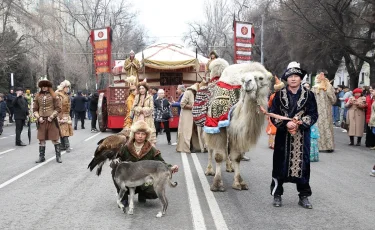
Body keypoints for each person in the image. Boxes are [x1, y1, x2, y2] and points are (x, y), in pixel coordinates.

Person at [270, 61, 318, 209]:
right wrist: (285, 124)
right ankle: (277, 194)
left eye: (296, 76)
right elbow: (273, 114)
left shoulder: (309, 95)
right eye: (290, 76)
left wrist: (300, 123)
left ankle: (303, 196)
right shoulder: (279, 95)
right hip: (283, 137)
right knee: (279, 165)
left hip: (302, 136)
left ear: (300, 78)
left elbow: (313, 114)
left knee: (303, 166)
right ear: (286, 78)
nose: (293, 79)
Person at [111, 120, 178, 206]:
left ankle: (143, 194)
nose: (140, 136)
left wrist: (171, 167)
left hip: (144, 180)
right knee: (115, 171)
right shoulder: (126, 148)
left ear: (146, 135)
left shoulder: (151, 149)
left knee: (154, 191)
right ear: (134, 134)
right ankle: (124, 198)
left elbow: (161, 163)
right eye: (138, 133)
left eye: (143, 134)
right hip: (129, 178)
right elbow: (116, 161)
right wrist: (114, 163)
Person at [33, 78, 62, 163]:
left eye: (46, 86)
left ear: (48, 87)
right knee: (41, 139)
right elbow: (35, 109)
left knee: (55, 139)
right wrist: (39, 118)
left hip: (51, 121)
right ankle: (41, 157)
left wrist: (52, 116)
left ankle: (58, 157)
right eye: (42, 86)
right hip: (41, 121)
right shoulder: (38, 96)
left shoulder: (54, 96)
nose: (44, 88)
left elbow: (58, 108)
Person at [311, 72, 336, 153]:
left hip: (316, 110)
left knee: (318, 126)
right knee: (327, 126)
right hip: (326, 110)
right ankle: (328, 146)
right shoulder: (328, 86)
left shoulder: (314, 88)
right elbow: (333, 99)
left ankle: (318, 145)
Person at [176, 83, 204, 153]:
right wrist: (193, 107)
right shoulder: (188, 92)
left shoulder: (199, 94)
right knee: (187, 132)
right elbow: (182, 104)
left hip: (196, 115)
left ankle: (198, 146)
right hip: (187, 116)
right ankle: (188, 147)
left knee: (197, 131)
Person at [130, 80, 156, 145]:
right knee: (137, 131)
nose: (141, 90)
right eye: (140, 88)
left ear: (146, 89)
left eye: (143, 88)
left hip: (147, 118)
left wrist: (143, 110)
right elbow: (133, 107)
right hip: (137, 118)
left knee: (147, 132)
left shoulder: (150, 97)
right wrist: (139, 109)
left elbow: (151, 108)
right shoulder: (137, 97)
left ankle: (148, 146)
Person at [266, 77, 285, 149]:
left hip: (273, 113)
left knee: (273, 129)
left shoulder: (272, 96)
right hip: (280, 114)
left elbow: (269, 105)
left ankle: (272, 144)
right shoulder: (284, 96)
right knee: (278, 129)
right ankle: (277, 144)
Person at [56, 80, 73, 152]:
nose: (68, 88)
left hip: (66, 114)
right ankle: (66, 146)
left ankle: (63, 146)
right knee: (63, 131)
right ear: (63, 88)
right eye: (66, 87)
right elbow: (57, 106)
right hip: (61, 115)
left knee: (63, 131)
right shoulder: (59, 95)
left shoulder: (66, 95)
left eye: (68, 87)